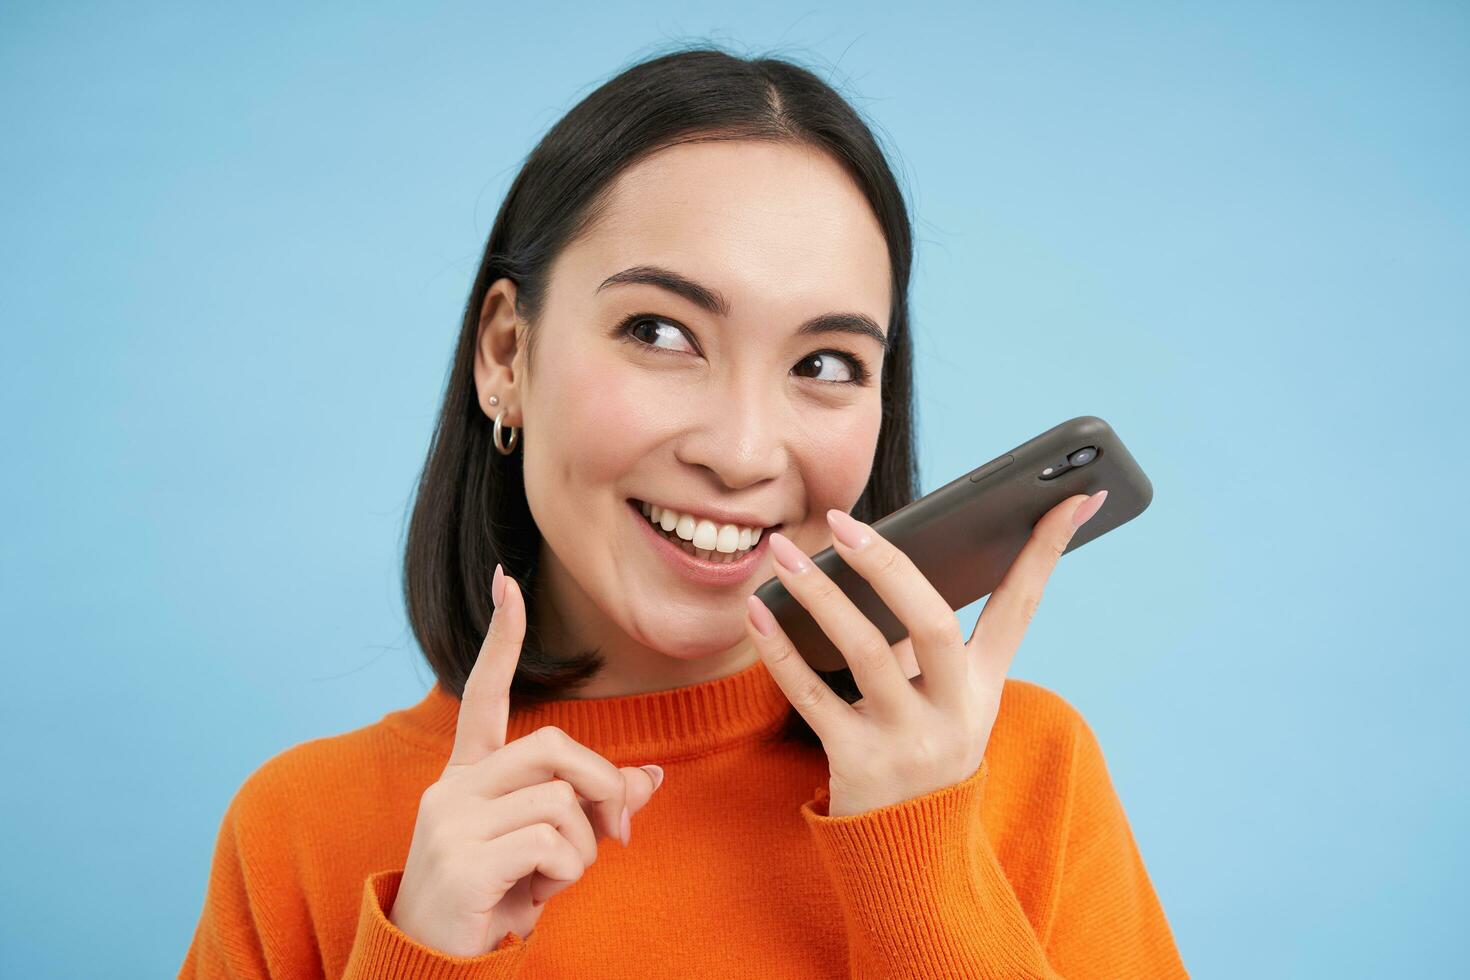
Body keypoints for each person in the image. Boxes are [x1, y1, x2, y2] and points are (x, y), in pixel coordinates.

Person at [179, 45, 1189, 979]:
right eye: (659, 330)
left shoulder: (1024, 772)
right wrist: (424, 956)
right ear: (504, 355)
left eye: (825, 363)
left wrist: (922, 863)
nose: (743, 451)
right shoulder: (301, 829)